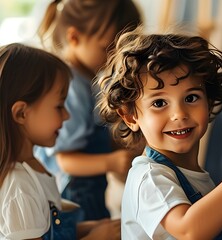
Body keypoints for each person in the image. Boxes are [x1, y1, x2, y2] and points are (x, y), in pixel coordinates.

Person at [96, 25, 222, 239]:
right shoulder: (149, 178)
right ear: (131, 116)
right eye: (159, 102)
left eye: (191, 98)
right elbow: (190, 230)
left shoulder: (189, 174)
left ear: (208, 102)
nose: (179, 114)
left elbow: (210, 226)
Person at [34, 0, 143, 221]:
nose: (114, 58)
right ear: (74, 38)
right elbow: (64, 159)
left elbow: (92, 135)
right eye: (106, 48)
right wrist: (111, 162)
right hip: (73, 194)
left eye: (120, 50)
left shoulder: (87, 80)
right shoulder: (70, 86)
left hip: (90, 191)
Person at [0, 43, 122, 240]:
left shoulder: (31, 168)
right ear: (21, 113)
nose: (66, 116)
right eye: (59, 106)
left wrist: (87, 228)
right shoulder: (19, 188)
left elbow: (50, 230)